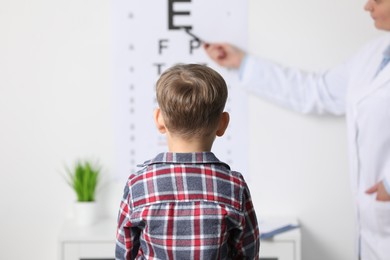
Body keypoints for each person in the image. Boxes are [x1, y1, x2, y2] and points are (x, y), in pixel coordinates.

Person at [204, 0, 390, 259]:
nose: (367, 6)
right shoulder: (374, 54)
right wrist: (241, 63)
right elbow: (317, 91)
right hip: (374, 224)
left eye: (378, 0)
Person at [115, 64, 260, 259]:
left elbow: (124, 254)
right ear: (223, 123)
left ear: (159, 119)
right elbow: (248, 254)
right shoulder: (234, 186)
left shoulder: (138, 185)